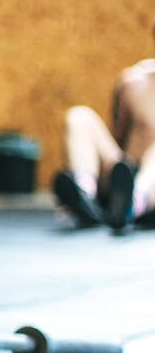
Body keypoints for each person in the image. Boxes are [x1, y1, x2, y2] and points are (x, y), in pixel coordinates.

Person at [53, 19, 155, 231]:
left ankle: (134, 203)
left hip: (150, 188)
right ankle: (83, 196)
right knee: (79, 117)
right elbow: (117, 136)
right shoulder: (133, 82)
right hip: (123, 175)